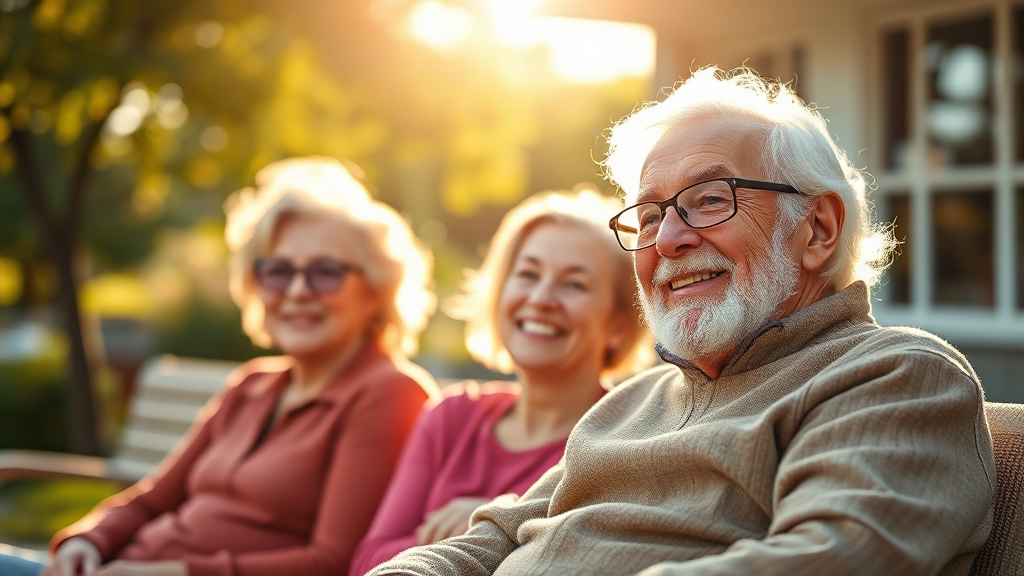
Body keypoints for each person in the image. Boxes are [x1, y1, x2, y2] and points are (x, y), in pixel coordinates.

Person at [367, 68, 996, 576]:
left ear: (818, 229)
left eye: (709, 201)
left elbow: (831, 556)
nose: (667, 239)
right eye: (647, 217)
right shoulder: (630, 403)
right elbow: (493, 540)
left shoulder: (894, 375)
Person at [13, 157, 440, 576]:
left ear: (376, 291)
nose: (296, 291)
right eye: (277, 270)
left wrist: (173, 572)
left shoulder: (390, 394)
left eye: (326, 272)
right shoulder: (252, 384)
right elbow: (153, 498)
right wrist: (86, 540)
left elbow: (332, 562)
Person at [349, 188, 653, 575]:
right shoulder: (451, 416)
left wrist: (484, 521)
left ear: (617, 324)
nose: (541, 298)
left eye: (574, 284)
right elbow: (363, 562)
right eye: (527, 274)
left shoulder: (622, 442)